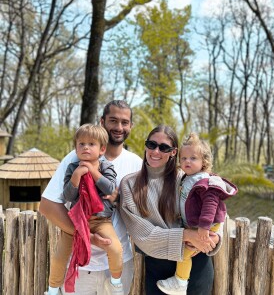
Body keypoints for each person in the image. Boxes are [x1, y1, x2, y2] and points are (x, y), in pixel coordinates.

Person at [39, 100, 143, 295]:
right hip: (79, 265)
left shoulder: (136, 163)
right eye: (113, 120)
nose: (119, 127)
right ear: (102, 122)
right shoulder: (74, 159)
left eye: (124, 122)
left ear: (131, 126)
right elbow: (48, 206)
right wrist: (88, 238)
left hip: (119, 262)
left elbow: (141, 210)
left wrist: (119, 198)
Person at [120, 125, 223, 295]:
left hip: (197, 262)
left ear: (173, 152)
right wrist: (187, 235)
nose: (156, 151)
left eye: (164, 147)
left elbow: (217, 208)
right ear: (146, 146)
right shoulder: (130, 185)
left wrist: (214, 237)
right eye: (151, 144)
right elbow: (142, 235)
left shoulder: (190, 178)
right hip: (159, 265)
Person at [156, 132, 238, 295]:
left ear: (204, 162)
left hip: (208, 226)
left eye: (193, 158)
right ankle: (180, 280)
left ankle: (180, 282)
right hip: (198, 227)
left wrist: (204, 228)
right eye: (184, 158)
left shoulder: (206, 181)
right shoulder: (186, 178)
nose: (187, 161)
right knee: (186, 250)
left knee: (185, 254)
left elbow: (211, 205)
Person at [47, 124, 123, 295]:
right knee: (60, 256)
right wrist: (76, 176)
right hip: (76, 220)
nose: (86, 147)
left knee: (115, 248)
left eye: (91, 144)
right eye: (81, 144)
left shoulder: (106, 167)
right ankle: (52, 289)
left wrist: (92, 171)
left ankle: (115, 282)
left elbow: (110, 189)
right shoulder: (72, 168)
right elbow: (68, 196)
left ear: (102, 149)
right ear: (76, 148)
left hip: (100, 220)